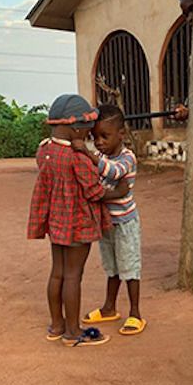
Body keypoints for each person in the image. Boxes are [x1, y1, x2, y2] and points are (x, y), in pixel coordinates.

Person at [26, 94, 111, 347]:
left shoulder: (44, 151)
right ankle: (73, 332)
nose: (91, 131)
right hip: (79, 225)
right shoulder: (78, 158)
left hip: (56, 225)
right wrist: (114, 190)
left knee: (58, 273)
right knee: (74, 275)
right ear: (76, 128)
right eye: (88, 126)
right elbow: (94, 191)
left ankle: (57, 325)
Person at [73, 105, 144, 335]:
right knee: (112, 268)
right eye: (95, 138)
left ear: (121, 134)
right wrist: (111, 192)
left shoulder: (127, 158)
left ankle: (135, 313)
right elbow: (102, 181)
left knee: (129, 268)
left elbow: (113, 172)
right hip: (106, 223)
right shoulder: (101, 156)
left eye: (105, 136)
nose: (99, 142)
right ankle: (109, 307)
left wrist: (87, 154)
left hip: (125, 224)